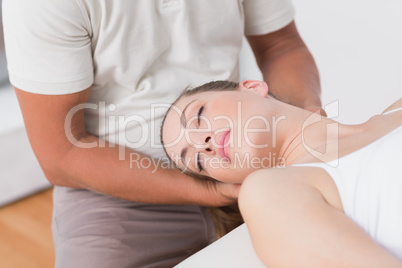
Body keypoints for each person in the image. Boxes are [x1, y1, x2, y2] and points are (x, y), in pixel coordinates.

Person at [3, 0, 323, 267]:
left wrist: (303, 126)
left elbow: (280, 45)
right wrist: (213, 192)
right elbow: (61, 156)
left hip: (252, 164)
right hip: (114, 193)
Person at [160, 80, 402, 267]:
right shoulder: (268, 192)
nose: (203, 143)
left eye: (199, 116)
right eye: (198, 160)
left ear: (253, 87)